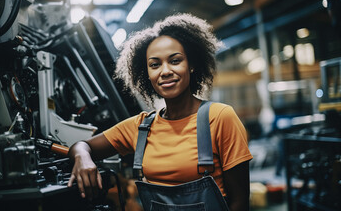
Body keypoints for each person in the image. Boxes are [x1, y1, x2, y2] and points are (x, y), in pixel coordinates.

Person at [67, 13, 253, 211]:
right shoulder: (140, 127)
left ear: (191, 65)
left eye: (175, 61)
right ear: (146, 73)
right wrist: (82, 158)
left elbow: (240, 202)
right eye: (155, 65)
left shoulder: (220, 117)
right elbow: (80, 146)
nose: (165, 71)